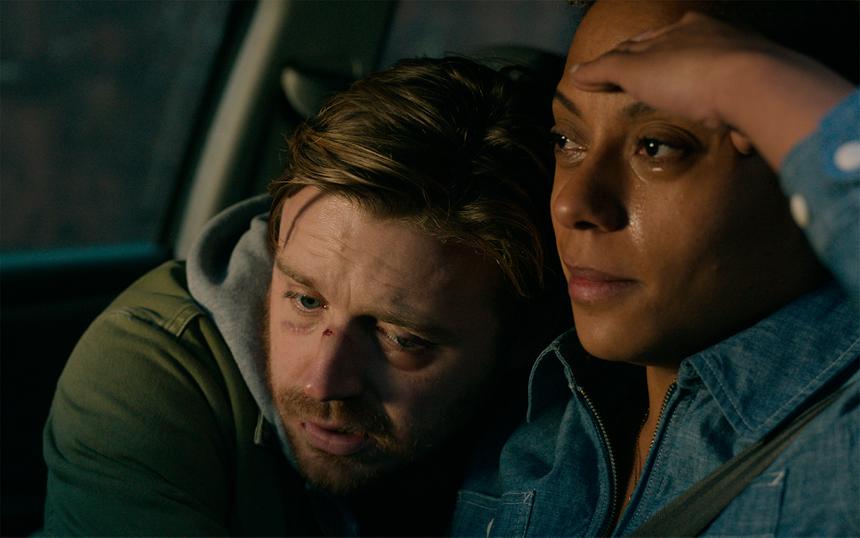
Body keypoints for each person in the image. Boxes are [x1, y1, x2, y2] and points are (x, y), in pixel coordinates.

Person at [41, 56, 569, 536]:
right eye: (306, 301)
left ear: (519, 339)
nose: (323, 381)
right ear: (276, 243)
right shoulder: (144, 373)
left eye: (402, 338)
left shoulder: (568, 410)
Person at [452, 1, 859, 536]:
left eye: (656, 146)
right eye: (567, 140)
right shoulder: (526, 439)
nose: (573, 203)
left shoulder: (841, 450)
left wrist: (762, 83)